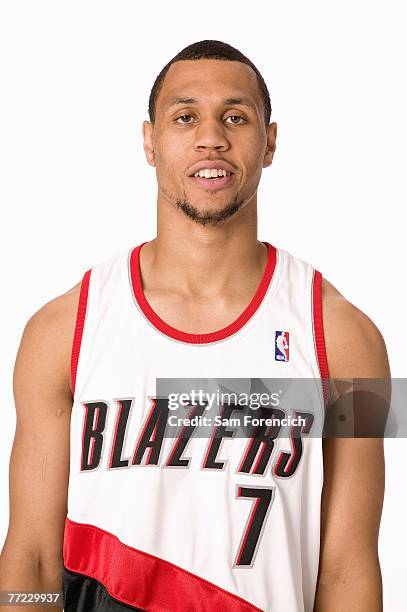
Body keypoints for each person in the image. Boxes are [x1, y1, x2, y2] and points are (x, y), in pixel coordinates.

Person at [0, 40, 390, 612]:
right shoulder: (60, 330)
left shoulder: (350, 338)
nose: (212, 136)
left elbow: (350, 571)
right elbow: (31, 558)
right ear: (149, 142)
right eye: (185, 117)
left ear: (271, 143)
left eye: (236, 116)